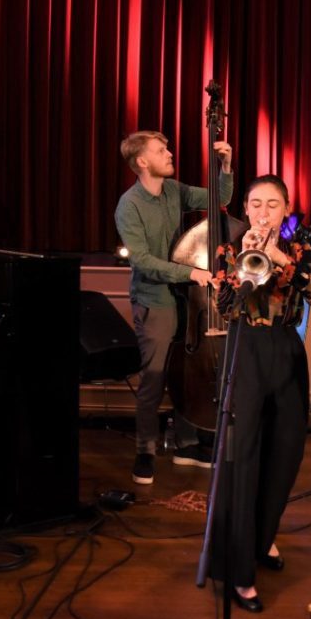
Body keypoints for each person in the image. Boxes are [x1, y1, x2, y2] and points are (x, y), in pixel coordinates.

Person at [209, 175, 311, 613]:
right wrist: (242, 265)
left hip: (286, 349)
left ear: (286, 209)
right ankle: (239, 572)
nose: (263, 212)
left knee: (285, 454)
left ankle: (262, 541)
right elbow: (223, 305)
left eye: (272, 204)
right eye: (256, 203)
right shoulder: (229, 248)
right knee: (243, 459)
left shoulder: (300, 249)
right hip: (245, 349)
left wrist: (278, 257)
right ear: (246, 207)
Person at [114, 130, 233, 485]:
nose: (169, 153)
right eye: (160, 150)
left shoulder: (173, 190)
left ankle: (187, 442)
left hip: (186, 299)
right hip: (155, 301)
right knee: (155, 379)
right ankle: (145, 452)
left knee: (189, 372)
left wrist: (225, 166)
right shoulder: (129, 206)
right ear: (142, 161)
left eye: (167, 148)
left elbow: (220, 198)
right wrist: (191, 272)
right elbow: (142, 261)